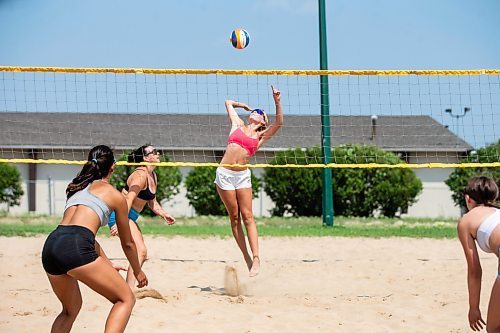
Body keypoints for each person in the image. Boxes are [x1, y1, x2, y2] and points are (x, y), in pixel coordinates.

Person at [41, 145, 148, 333]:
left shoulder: (76, 188)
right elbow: (128, 243)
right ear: (112, 166)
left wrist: (105, 263)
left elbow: (78, 234)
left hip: (52, 245)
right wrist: (138, 271)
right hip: (76, 248)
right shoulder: (114, 195)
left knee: (70, 310)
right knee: (126, 299)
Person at [215, 85, 283, 277]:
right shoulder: (237, 124)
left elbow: (279, 122)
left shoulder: (260, 136)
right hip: (225, 174)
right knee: (234, 217)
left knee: (248, 216)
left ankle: (256, 257)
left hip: (241, 175)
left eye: (259, 112)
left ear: (263, 121)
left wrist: (277, 101)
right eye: (255, 111)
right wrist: (242, 105)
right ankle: (245, 256)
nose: (255, 112)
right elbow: (228, 102)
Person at [108, 144, 175, 289]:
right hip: (121, 214)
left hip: (129, 216)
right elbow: (128, 200)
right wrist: (119, 222)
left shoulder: (152, 175)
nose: (158, 154)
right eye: (154, 152)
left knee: (140, 253)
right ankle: (128, 290)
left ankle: (128, 288)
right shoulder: (140, 175)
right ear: (145, 158)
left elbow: (153, 203)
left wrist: (164, 214)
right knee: (141, 251)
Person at [457, 175, 500, 332]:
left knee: (494, 328)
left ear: (468, 199)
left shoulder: (466, 221)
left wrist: (473, 308)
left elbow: (475, 271)